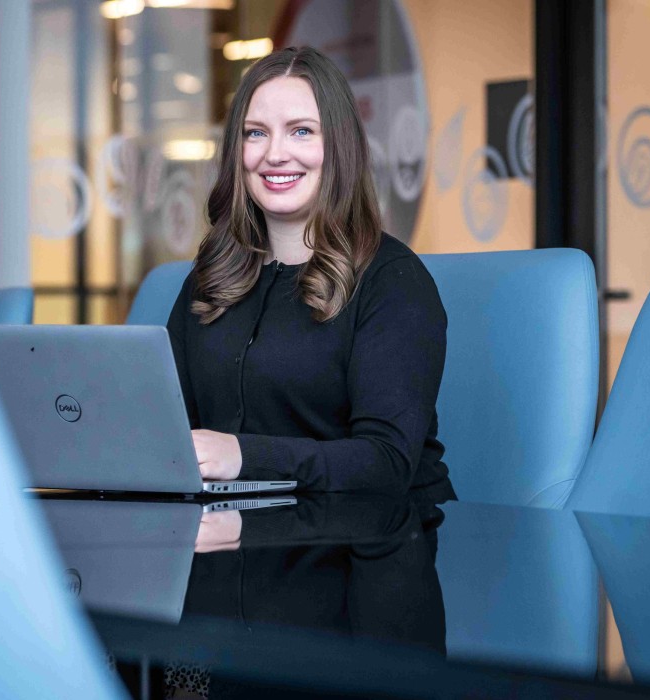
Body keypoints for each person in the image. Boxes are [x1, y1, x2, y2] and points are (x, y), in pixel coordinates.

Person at [167, 46, 454, 499]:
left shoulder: (394, 281)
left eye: (301, 131)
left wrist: (243, 456)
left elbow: (387, 461)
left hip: (369, 543)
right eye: (255, 133)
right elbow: (168, 432)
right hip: (238, 537)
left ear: (338, 146)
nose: (275, 154)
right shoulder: (210, 279)